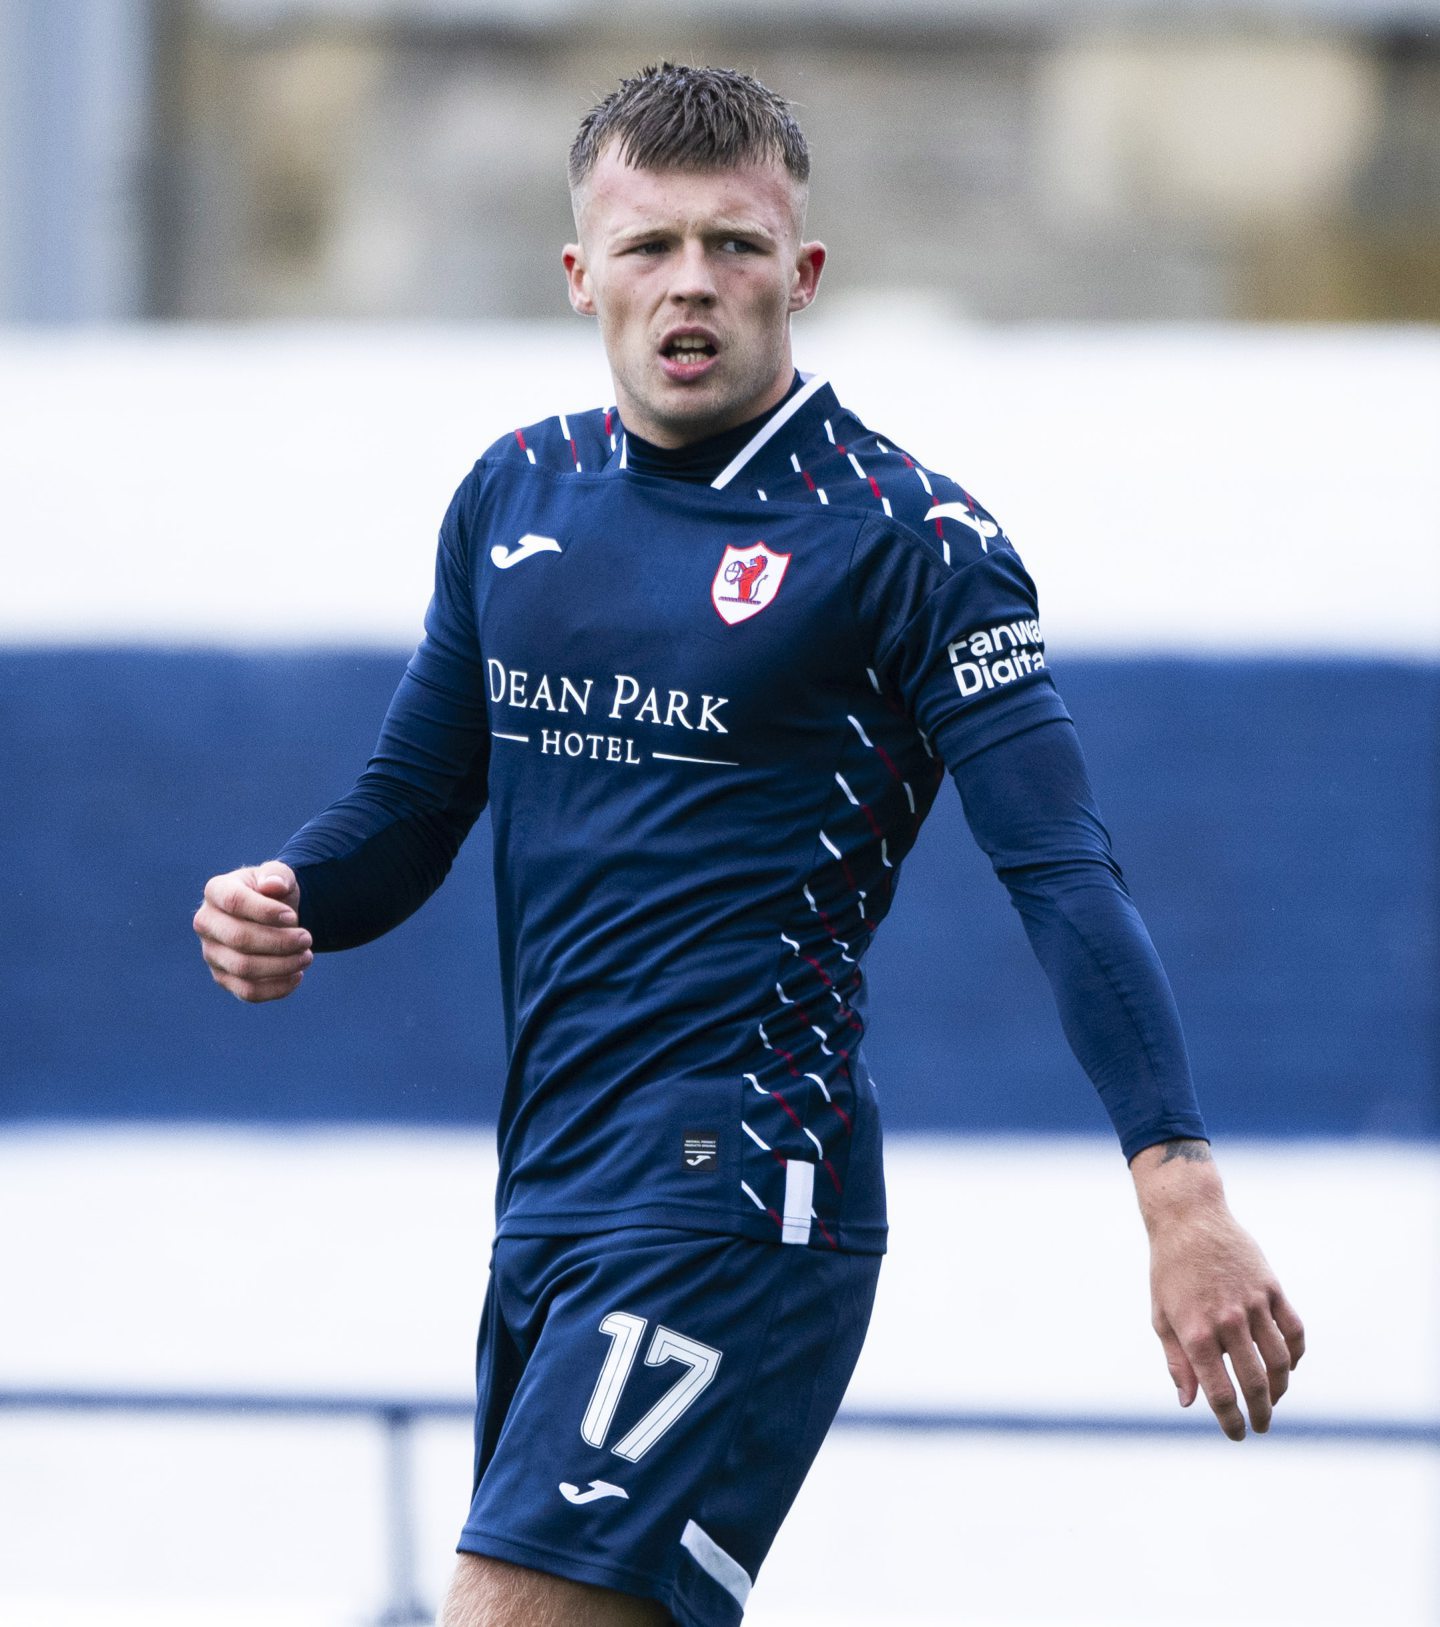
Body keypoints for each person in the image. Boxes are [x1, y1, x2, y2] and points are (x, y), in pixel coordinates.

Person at [193, 63, 1305, 1627]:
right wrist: (291, 893)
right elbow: (411, 808)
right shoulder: (515, 494)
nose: (693, 284)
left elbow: (1061, 870)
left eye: (735, 244)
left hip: (739, 1185)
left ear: (805, 272)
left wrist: (1178, 1188)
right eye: (650, 248)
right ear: (582, 276)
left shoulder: (912, 544)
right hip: (555, 1189)